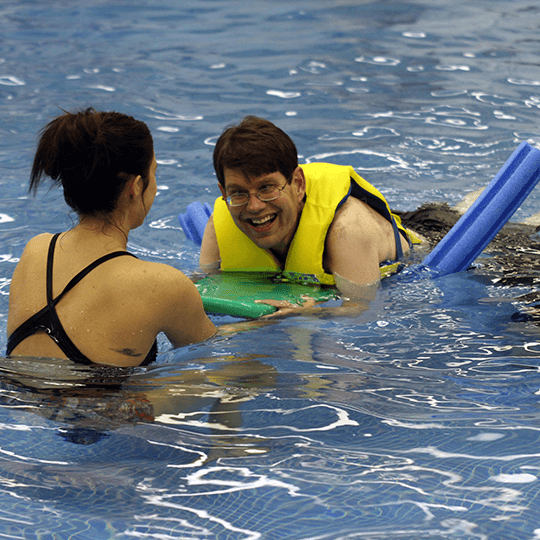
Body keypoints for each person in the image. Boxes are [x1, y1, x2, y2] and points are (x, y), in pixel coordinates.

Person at [6, 108, 219, 367]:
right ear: (136, 187)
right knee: (242, 375)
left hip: (20, 400)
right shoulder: (164, 285)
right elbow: (211, 352)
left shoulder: (36, 251)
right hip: (105, 405)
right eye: (154, 172)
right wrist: (267, 322)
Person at [200, 115, 423, 298]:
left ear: (298, 184)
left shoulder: (346, 231)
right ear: (224, 193)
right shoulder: (219, 227)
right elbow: (204, 289)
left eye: (267, 188)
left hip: (428, 239)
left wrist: (304, 315)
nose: (255, 206)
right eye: (238, 193)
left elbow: (362, 313)